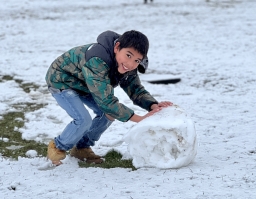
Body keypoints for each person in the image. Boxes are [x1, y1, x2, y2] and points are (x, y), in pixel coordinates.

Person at [45, 30, 172, 165]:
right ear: (117, 47)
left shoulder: (128, 66)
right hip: (62, 81)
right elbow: (106, 101)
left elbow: (135, 89)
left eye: (136, 60)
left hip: (86, 84)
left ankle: (81, 148)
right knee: (83, 119)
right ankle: (57, 147)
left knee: (108, 114)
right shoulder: (97, 61)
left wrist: (153, 106)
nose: (130, 64)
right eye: (128, 55)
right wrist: (139, 119)